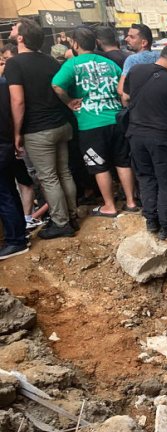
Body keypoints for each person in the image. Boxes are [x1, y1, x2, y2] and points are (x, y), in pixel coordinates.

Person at [52, 27, 138, 219]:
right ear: (95, 43)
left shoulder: (72, 64)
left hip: (90, 123)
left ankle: (109, 206)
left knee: (99, 165)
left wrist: (69, 102)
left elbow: (56, 85)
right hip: (116, 118)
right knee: (123, 161)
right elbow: (121, 89)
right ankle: (131, 202)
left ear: (74, 43)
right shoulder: (108, 63)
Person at [6, 19, 78, 240]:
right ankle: (71, 216)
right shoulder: (50, 61)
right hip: (60, 125)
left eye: (14, 28)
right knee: (63, 172)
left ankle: (61, 223)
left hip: (38, 130)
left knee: (48, 178)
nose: (10, 30)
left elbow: (18, 101)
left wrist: (16, 133)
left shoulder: (15, 64)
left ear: (20, 38)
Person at [123, 45, 167, 240]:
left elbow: (125, 96)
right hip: (162, 138)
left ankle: (151, 220)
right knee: (166, 180)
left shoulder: (135, 71)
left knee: (146, 177)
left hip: (135, 135)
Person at [0, 67, 27, 259]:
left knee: (3, 195)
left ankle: (15, 240)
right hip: (6, 141)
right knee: (9, 189)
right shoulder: (3, 83)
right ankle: (19, 233)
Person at [118, 23, 159, 98]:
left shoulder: (132, 60)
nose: (126, 39)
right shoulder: (160, 57)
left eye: (132, 37)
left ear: (144, 43)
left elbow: (121, 90)